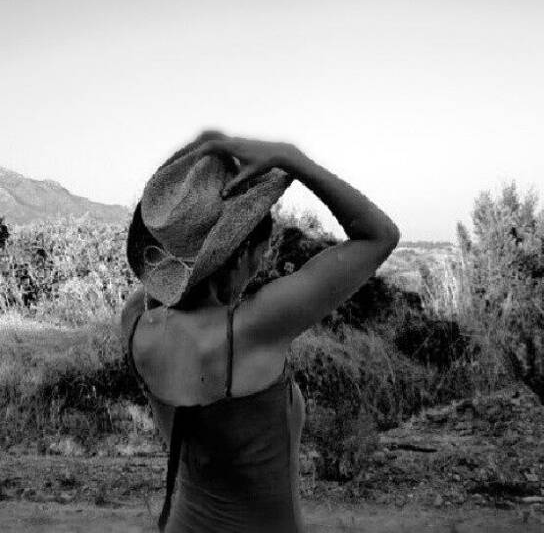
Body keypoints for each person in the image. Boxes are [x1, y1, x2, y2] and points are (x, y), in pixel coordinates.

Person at [120, 131, 400, 533]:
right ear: (237, 260)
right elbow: (379, 235)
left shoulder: (134, 323)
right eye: (259, 256)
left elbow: (167, 269)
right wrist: (292, 159)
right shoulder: (253, 328)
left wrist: (197, 155)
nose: (260, 268)